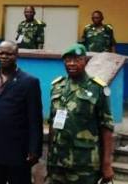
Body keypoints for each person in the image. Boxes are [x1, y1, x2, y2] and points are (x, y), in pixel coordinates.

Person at [47, 44, 114, 184]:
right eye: (68, 60)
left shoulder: (97, 88)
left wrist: (107, 164)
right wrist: (49, 154)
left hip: (85, 163)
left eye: (77, 60)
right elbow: (53, 123)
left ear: (85, 61)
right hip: (57, 161)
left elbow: (106, 127)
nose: (72, 63)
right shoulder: (57, 86)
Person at [0, 41, 43, 184]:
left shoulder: (29, 82)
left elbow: (35, 119)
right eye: (0, 53)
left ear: (17, 55)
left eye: (9, 54)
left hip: (17, 152)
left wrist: (34, 150)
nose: (4, 56)